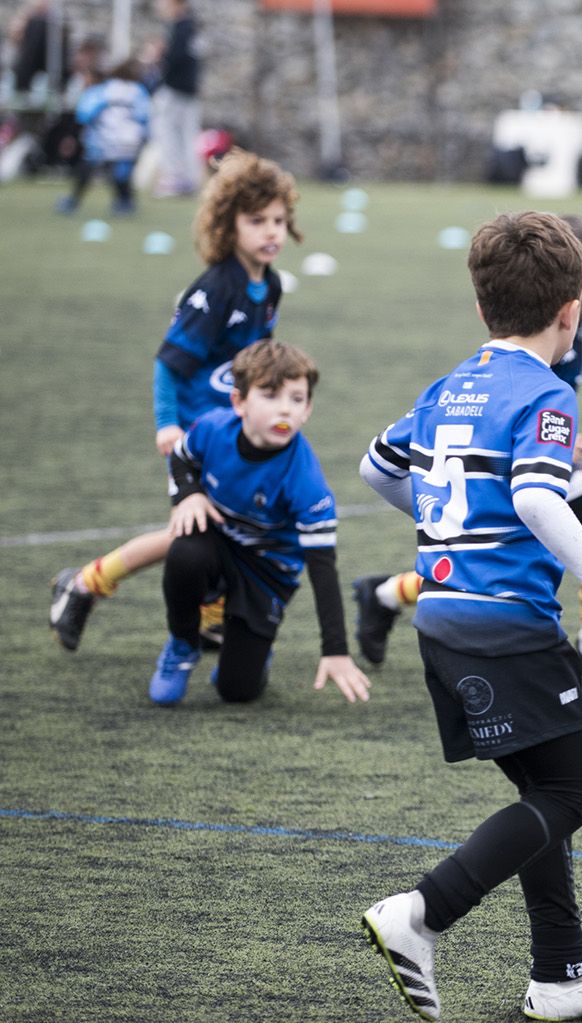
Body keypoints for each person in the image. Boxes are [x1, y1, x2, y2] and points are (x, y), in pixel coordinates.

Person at [358, 211, 582, 1022]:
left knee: (539, 787)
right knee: (568, 794)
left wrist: (442, 531)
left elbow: (376, 467)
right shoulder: (546, 395)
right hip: (507, 623)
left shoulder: (449, 385)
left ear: (482, 305)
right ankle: (421, 913)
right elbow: (534, 494)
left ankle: (561, 974)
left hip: (443, 616)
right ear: (572, 310)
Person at [351, 214, 582, 680]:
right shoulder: (550, 336)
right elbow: (531, 438)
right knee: (563, 541)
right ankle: (387, 594)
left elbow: (375, 468)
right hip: (521, 465)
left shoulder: (451, 385)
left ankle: (387, 595)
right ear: (562, 305)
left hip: (534, 457)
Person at [49, 150, 300, 651]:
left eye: (278, 220)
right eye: (257, 221)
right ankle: (84, 585)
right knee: (187, 535)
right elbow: (168, 363)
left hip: (231, 431)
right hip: (192, 433)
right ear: (228, 225)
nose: (272, 231)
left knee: (235, 521)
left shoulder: (268, 284)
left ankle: (209, 615)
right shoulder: (217, 289)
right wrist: (168, 424)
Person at [148, 340, 370, 706]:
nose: (285, 410)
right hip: (217, 543)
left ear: (308, 409)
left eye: (297, 399)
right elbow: (181, 458)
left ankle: (254, 643)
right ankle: (183, 644)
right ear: (239, 402)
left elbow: (323, 570)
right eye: (270, 395)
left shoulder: (307, 482)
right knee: (185, 552)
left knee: (237, 692)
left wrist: (336, 650)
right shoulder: (212, 429)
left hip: (266, 571)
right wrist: (188, 496)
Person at [55, 57, 149, 216]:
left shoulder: (103, 89)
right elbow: (144, 117)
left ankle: (73, 200)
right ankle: (124, 202)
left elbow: (85, 114)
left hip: (104, 138)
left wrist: (73, 135)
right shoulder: (139, 90)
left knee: (87, 167)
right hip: (130, 140)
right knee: (122, 172)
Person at [150, 0, 201, 197]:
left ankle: (175, 179)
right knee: (186, 135)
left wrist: (160, 55)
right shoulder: (189, 28)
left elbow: (176, 59)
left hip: (176, 90)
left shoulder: (183, 28)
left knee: (168, 133)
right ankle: (186, 178)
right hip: (187, 90)